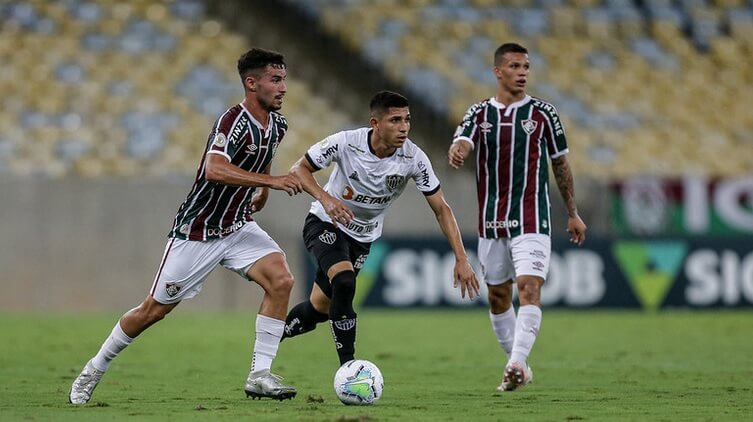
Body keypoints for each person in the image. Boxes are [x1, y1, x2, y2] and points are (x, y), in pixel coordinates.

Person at [68, 48, 304, 404]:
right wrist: (271, 183)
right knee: (153, 311)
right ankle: (93, 369)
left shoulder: (278, 124)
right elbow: (214, 169)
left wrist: (263, 191)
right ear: (251, 83)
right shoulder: (232, 122)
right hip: (198, 231)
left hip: (238, 226)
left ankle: (259, 375)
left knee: (282, 279)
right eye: (275, 80)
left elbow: (264, 157)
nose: (283, 87)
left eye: (284, 79)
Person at [280, 90, 480, 366]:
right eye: (395, 120)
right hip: (327, 222)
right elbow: (299, 169)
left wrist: (461, 257)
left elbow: (441, 208)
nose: (404, 128)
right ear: (375, 123)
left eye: (407, 120)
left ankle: (272, 336)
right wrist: (326, 200)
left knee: (319, 308)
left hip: (363, 237)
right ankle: (349, 368)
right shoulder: (346, 142)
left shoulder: (414, 159)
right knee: (344, 281)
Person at [448, 43, 587, 392]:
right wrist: (459, 149)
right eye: (514, 66)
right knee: (498, 297)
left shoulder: (543, 114)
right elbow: (463, 139)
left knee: (528, 288)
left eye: (526, 66)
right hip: (491, 220)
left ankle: (514, 364)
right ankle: (519, 365)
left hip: (532, 217)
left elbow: (560, 164)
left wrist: (572, 212)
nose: (522, 72)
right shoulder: (479, 113)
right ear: (498, 71)